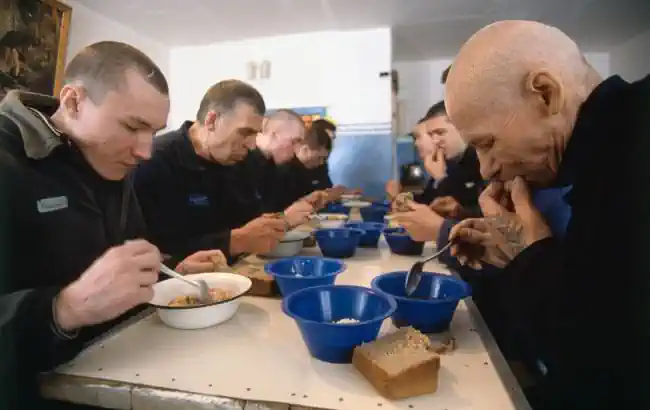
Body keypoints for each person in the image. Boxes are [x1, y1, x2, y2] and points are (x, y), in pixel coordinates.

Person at [442, 20, 650, 409]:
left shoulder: (633, 151)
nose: (486, 169)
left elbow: (605, 365)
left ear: (545, 93)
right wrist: (514, 255)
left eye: (488, 143)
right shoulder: (594, 160)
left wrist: (531, 254)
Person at [0, 41, 217, 408]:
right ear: (73, 102)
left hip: (116, 376)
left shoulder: (112, 159)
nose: (145, 152)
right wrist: (64, 309)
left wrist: (167, 274)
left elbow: (117, 259)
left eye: (153, 132)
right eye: (132, 126)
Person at [134, 80, 313, 263]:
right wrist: (234, 241)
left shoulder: (242, 162)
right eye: (245, 133)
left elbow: (251, 222)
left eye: (255, 134)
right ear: (211, 121)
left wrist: (274, 223)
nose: (251, 145)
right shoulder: (154, 163)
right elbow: (156, 253)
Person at [386, 101, 484, 219]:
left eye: (440, 132)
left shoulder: (477, 159)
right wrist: (402, 199)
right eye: (431, 135)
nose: (435, 141)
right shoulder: (457, 160)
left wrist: (441, 178)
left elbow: (469, 208)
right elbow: (432, 203)